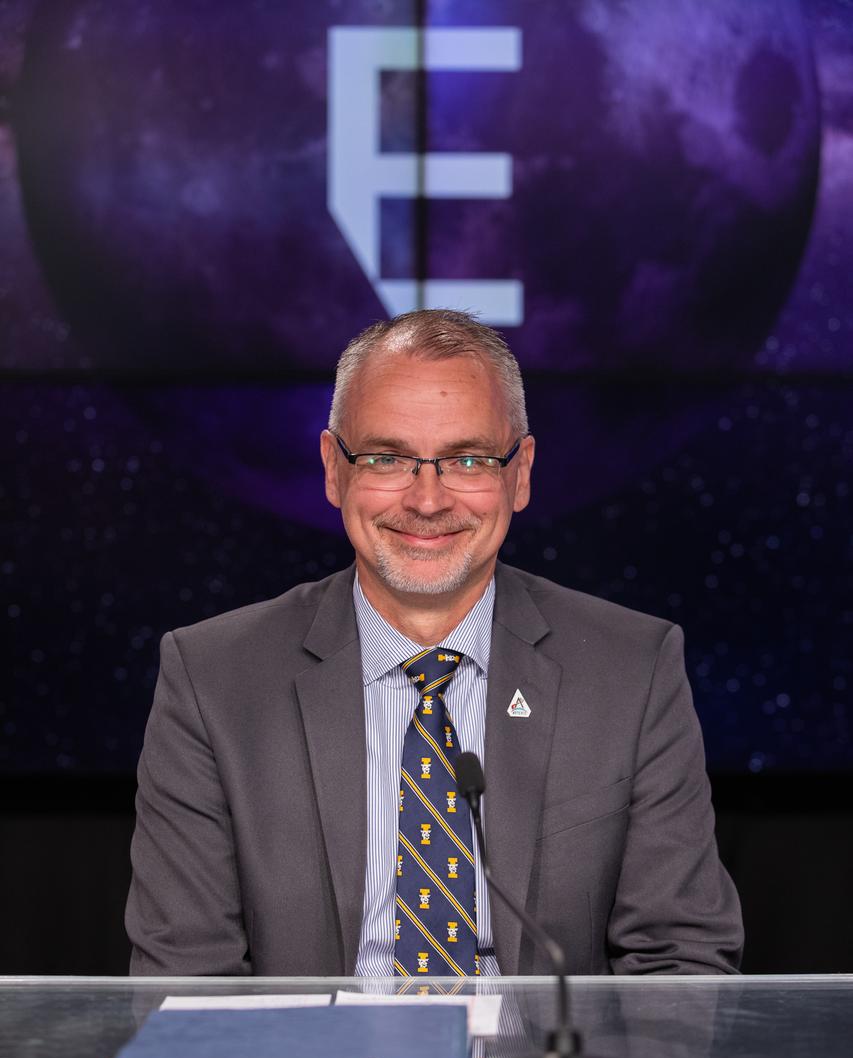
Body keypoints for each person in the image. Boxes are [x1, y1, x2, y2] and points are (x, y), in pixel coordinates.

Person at [126, 309, 743, 977]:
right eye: (387, 458)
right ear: (335, 470)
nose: (426, 500)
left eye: (468, 459)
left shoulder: (630, 669)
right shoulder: (214, 678)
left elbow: (682, 965)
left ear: (520, 473)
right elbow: (184, 979)